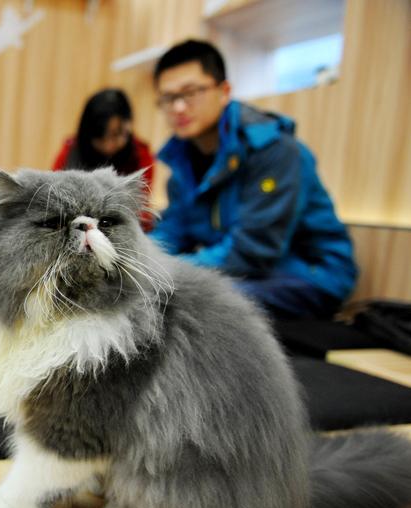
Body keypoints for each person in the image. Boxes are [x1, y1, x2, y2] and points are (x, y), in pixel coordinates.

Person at [150, 40, 357, 320]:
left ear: (224, 92)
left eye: (190, 93)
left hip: (311, 276)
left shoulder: (276, 151)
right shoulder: (181, 161)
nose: (178, 107)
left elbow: (251, 251)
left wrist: (166, 271)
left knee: (197, 303)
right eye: (167, 98)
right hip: (248, 275)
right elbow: (171, 234)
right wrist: (135, 262)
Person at [53, 88, 155, 231]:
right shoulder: (71, 151)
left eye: (117, 135)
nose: (109, 145)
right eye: (101, 137)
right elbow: (54, 195)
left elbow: (140, 206)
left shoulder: (140, 154)